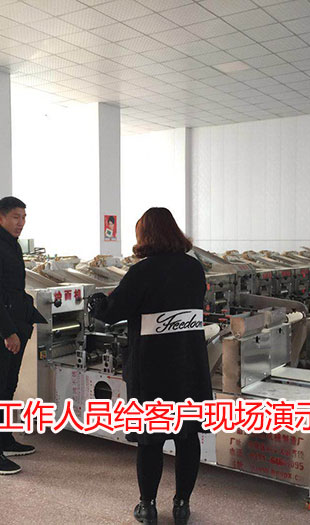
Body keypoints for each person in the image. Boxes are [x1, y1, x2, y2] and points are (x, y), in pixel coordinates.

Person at [90, 207, 212, 525]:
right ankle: (182, 505)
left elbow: (113, 311)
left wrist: (96, 303)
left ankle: (147, 507)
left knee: (150, 439)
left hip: (152, 368)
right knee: (187, 436)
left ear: (145, 235)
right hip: (189, 366)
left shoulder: (142, 271)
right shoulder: (194, 268)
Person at [0, 196, 46, 475]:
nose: (21, 222)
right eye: (16, 217)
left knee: (8, 386)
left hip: (16, 324)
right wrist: (8, 332)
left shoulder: (11, 245)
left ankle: (4, 440)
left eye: (24, 217)